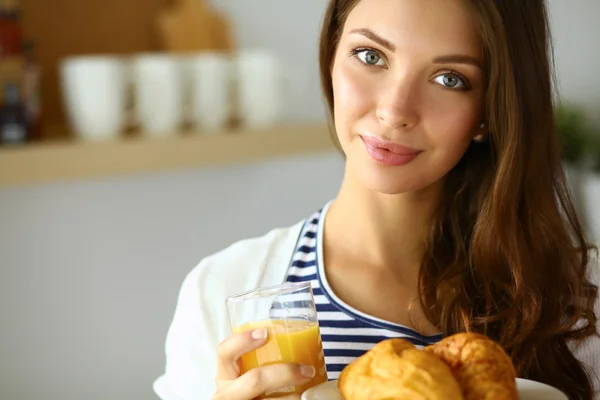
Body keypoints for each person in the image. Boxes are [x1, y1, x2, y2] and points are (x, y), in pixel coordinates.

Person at [153, 0, 600, 399]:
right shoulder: (224, 291)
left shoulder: (579, 299)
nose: (394, 110)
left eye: (450, 78)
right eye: (371, 56)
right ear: (331, 55)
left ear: (489, 110)